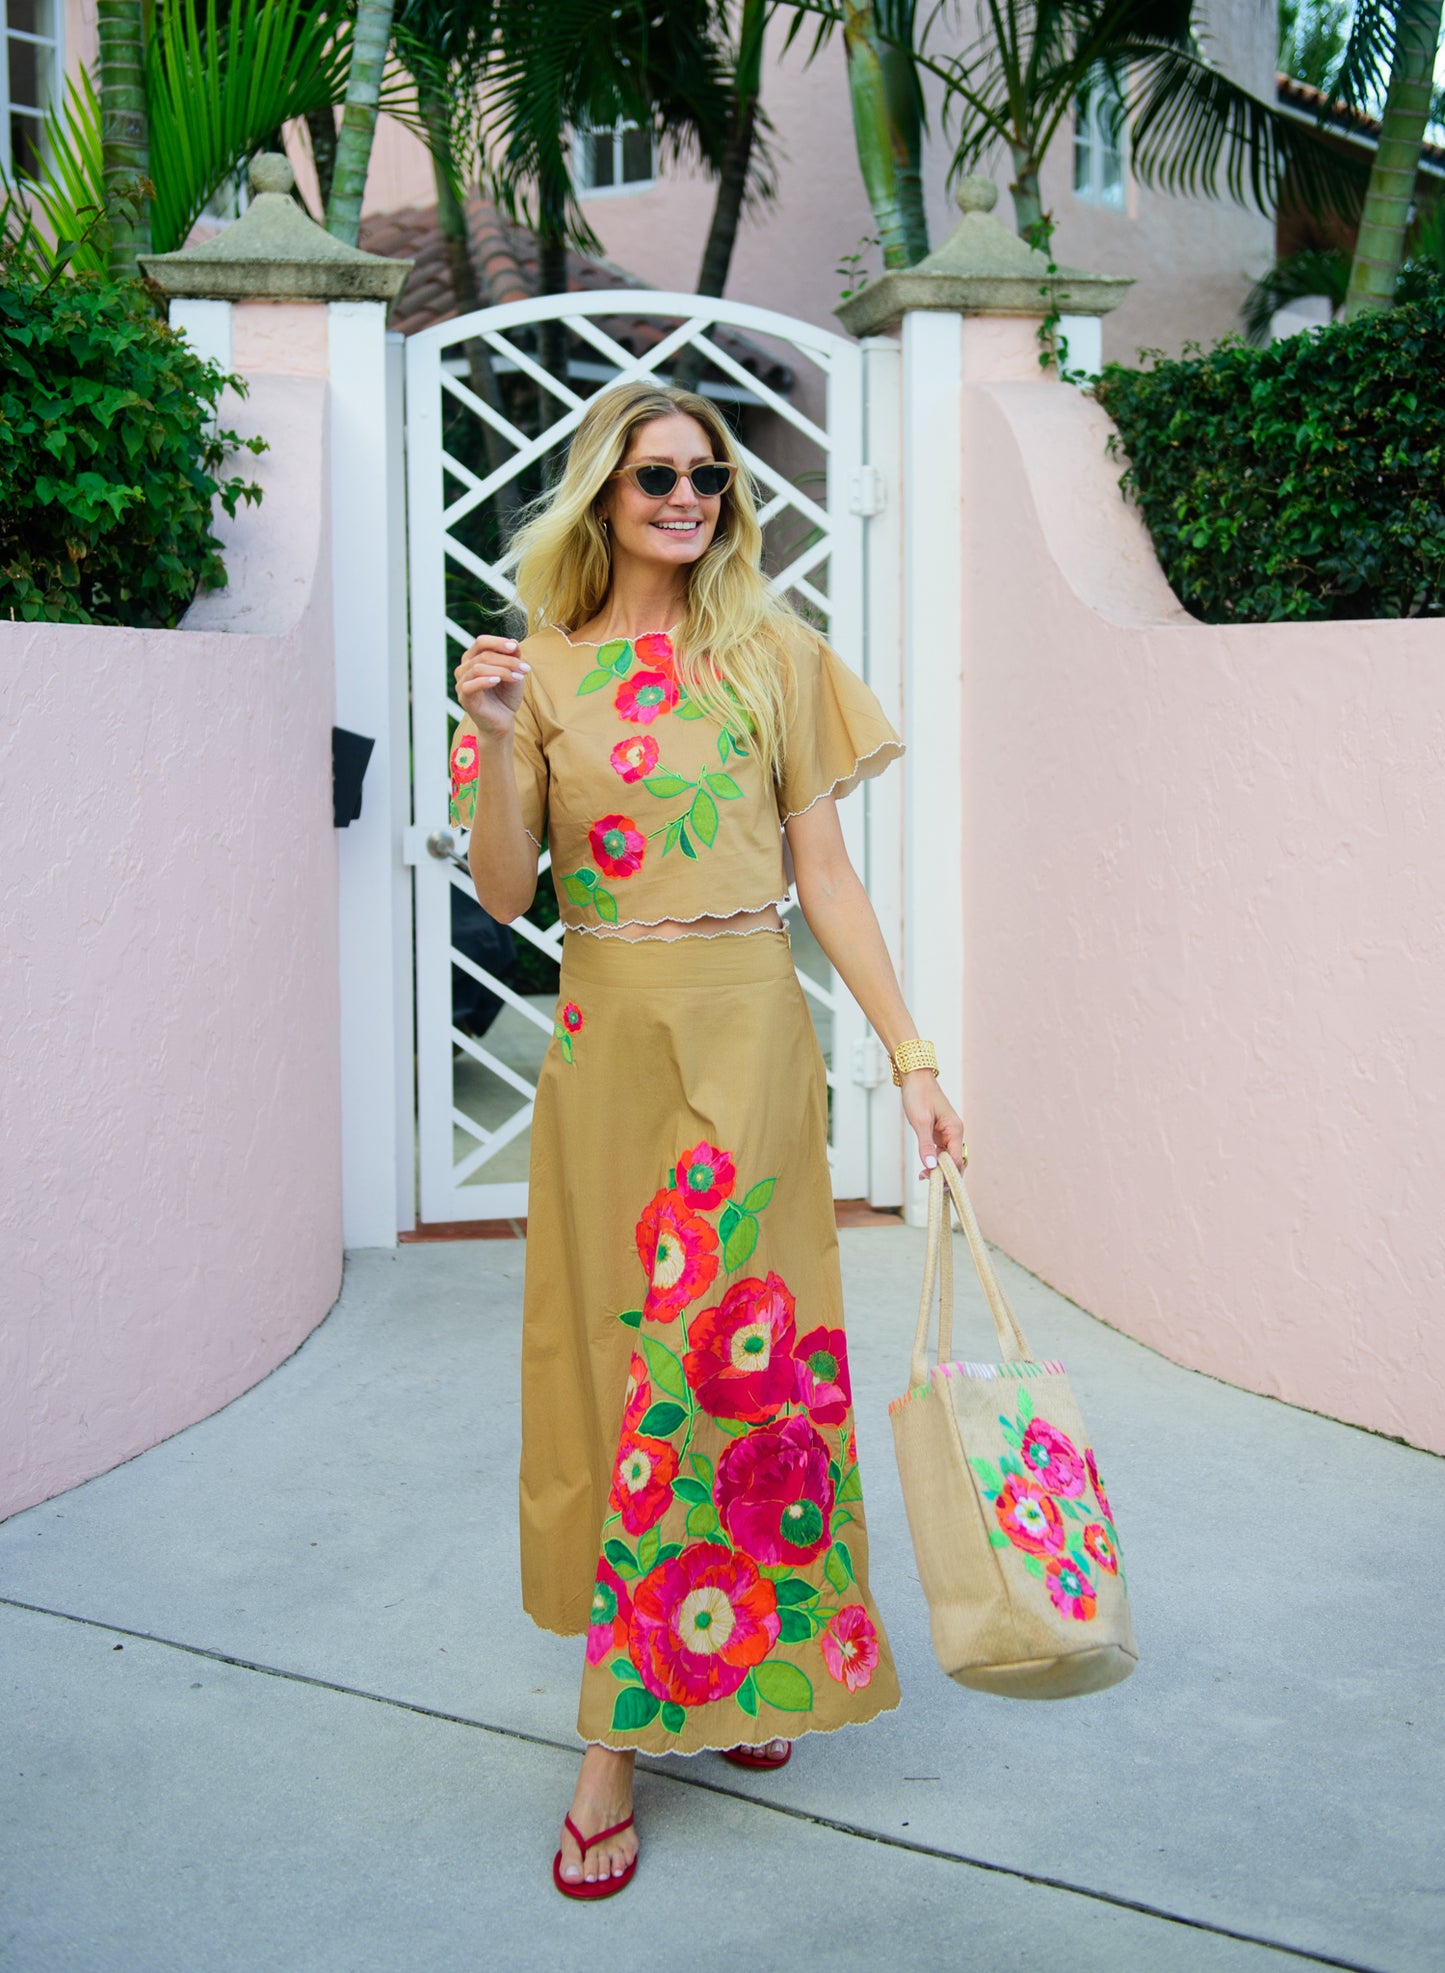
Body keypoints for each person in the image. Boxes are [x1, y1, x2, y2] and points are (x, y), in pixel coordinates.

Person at [449, 381, 964, 1900]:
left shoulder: (771, 654)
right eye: (655, 473)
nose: (686, 496)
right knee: (621, 1368)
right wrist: (488, 740)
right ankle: (649, 1694)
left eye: (709, 475)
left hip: (747, 1035)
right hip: (608, 1038)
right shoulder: (535, 670)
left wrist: (911, 1054)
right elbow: (499, 896)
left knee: (733, 1354)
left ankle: (660, 1709)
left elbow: (827, 878)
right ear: (602, 490)